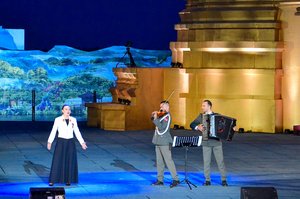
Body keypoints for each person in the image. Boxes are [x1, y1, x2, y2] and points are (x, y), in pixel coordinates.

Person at [190, 100, 233, 186]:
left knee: (220, 161)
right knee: (206, 162)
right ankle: (207, 180)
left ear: (209, 106)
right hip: (206, 142)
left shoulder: (217, 116)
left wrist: (232, 128)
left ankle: (224, 180)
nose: (202, 107)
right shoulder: (201, 116)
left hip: (216, 142)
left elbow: (225, 126)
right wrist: (197, 127)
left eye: (204, 106)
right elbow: (192, 124)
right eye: (202, 106)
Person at [47, 104, 87, 186]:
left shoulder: (73, 120)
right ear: (62, 111)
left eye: (69, 109)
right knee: (57, 160)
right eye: (66, 109)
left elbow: (77, 131)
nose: (68, 111)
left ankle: (68, 179)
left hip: (70, 142)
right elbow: (53, 131)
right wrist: (49, 142)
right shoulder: (58, 120)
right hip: (61, 142)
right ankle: (53, 180)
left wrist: (82, 142)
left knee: (69, 160)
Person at [151, 101, 180, 188]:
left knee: (168, 161)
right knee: (159, 162)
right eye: (160, 107)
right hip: (158, 141)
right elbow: (154, 121)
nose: (160, 109)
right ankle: (160, 179)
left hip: (164, 142)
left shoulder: (167, 117)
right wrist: (154, 116)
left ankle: (175, 179)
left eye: (162, 107)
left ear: (167, 107)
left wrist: (156, 119)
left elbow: (162, 128)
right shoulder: (161, 115)